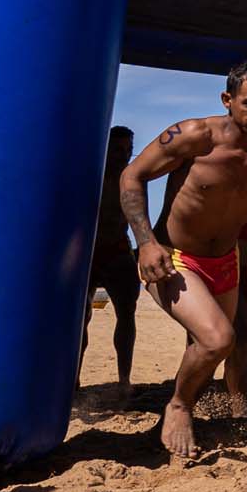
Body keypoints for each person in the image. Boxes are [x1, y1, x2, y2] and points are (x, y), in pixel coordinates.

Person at [117, 61, 247, 461]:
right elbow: (132, 177)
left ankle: (175, 426)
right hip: (172, 257)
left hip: (226, 260)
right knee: (217, 338)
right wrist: (146, 243)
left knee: (217, 349)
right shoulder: (194, 135)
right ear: (227, 100)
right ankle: (177, 406)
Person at [86, 126, 142, 391]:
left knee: (127, 314)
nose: (124, 155)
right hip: (89, 254)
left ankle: (124, 380)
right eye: (118, 149)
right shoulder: (90, 176)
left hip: (118, 251)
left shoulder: (131, 178)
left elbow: (140, 217)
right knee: (80, 320)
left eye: (128, 150)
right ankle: (72, 379)